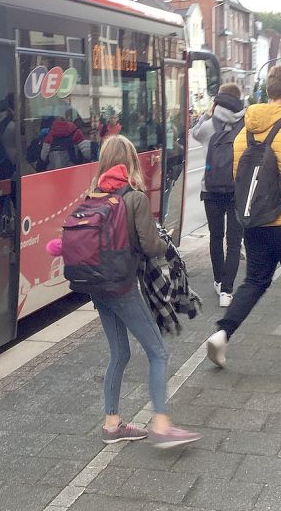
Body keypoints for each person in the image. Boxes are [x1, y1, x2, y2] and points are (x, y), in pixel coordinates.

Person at [205, 64, 281, 369]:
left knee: (254, 281)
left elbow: (239, 176)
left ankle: (223, 332)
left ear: (268, 90)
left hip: (256, 222)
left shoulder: (245, 132)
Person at [84, 135, 201, 448]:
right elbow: (150, 246)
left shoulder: (90, 194)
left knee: (120, 353)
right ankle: (161, 424)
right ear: (131, 161)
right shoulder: (133, 197)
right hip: (122, 288)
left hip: (97, 288)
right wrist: (166, 241)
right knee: (158, 351)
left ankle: (112, 424)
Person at [190, 84, 247, 307]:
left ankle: (217, 279)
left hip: (211, 190)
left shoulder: (208, 125)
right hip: (237, 189)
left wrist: (207, 112)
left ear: (218, 101)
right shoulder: (245, 124)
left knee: (216, 237)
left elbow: (194, 133)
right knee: (234, 241)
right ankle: (227, 290)